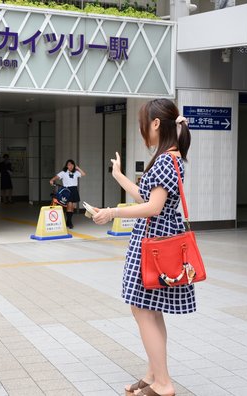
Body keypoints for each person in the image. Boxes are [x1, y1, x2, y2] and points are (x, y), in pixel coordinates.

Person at [92, 99, 193, 396]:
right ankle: (153, 374)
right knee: (150, 311)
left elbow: (153, 206)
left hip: (153, 244)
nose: (142, 133)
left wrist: (112, 212)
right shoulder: (173, 158)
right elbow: (147, 195)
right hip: (159, 241)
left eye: (143, 126)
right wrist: (119, 176)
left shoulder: (164, 160)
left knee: (143, 311)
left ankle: (163, 383)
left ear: (156, 124)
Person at [49, 159, 85, 229]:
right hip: (67, 190)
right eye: (69, 165)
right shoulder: (63, 172)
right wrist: (52, 180)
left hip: (74, 190)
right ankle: (69, 222)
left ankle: (68, 221)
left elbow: (83, 174)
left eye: (72, 164)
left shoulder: (76, 172)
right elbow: (57, 177)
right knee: (69, 205)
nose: (70, 166)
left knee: (73, 207)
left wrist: (78, 168)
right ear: (66, 166)